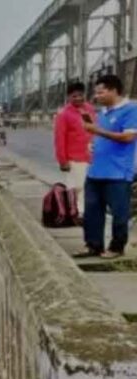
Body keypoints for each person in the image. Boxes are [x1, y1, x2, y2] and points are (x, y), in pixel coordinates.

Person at [77, 75, 137, 259]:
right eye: (95, 92)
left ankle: (116, 247)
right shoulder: (103, 113)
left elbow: (128, 137)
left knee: (120, 213)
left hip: (118, 172)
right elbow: (102, 136)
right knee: (92, 210)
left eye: (100, 92)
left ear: (113, 90)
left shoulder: (131, 110)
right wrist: (93, 143)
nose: (97, 96)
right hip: (96, 170)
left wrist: (96, 130)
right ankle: (93, 245)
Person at [54, 82, 96, 216]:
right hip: (74, 158)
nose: (78, 98)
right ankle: (79, 213)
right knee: (78, 187)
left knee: (90, 186)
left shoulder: (89, 109)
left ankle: (85, 212)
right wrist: (62, 161)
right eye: (74, 96)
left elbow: (95, 129)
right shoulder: (63, 114)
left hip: (91, 156)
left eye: (80, 95)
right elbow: (59, 139)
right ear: (68, 97)